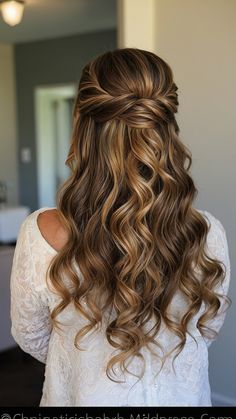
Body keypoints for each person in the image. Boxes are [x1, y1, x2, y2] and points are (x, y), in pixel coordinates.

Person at [10, 48, 231, 407]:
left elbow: (33, 338)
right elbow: (205, 329)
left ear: (80, 120)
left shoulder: (40, 233)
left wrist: (85, 359)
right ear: (167, 125)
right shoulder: (207, 233)